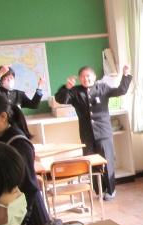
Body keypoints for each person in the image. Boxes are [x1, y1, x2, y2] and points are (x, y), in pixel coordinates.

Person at [0, 93, 50, 225]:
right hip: (4, 210)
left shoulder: (19, 144)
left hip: (26, 214)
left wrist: (22, 223)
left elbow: (29, 186)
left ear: (3, 117)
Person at [54, 65, 132, 200]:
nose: (86, 79)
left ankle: (111, 190)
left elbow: (121, 90)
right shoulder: (75, 91)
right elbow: (60, 99)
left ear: (94, 77)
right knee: (91, 162)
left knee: (107, 161)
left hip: (103, 132)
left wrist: (125, 75)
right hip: (87, 134)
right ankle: (99, 190)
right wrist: (66, 87)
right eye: (83, 76)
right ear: (80, 79)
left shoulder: (102, 88)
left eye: (88, 76)